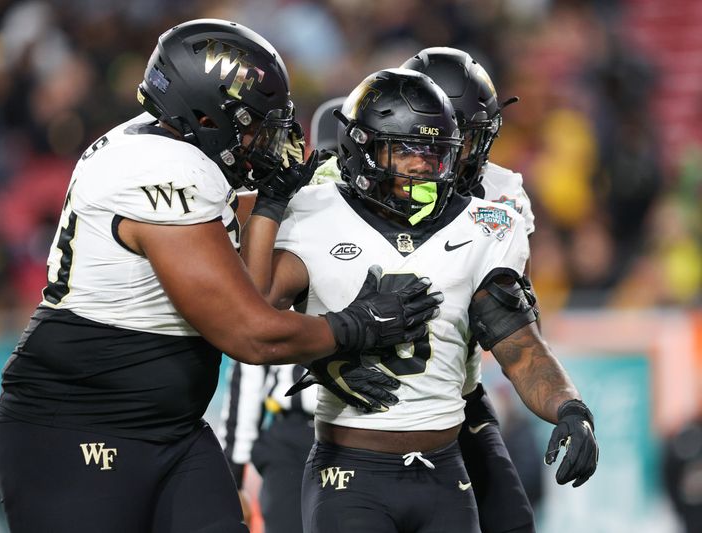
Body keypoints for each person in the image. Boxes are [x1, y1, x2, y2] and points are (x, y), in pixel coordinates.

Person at [0, 20, 439, 533]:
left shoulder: (156, 147)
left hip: (171, 429)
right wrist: (356, 327)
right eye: (253, 124)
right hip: (78, 426)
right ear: (206, 112)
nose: (263, 140)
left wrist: (281, 202)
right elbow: (251, 333)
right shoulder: (159, 167)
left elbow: (225, 235)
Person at [242, 68, 599, 532]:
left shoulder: (484, 224)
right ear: (364, 148)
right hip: (351, 469)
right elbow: (255, 310)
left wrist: (570, 407)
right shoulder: (315, 210)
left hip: (445, 471)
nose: (421, 165)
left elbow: (521, 347)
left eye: (434, 152)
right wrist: (271, 205)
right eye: (406, 149)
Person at [402, 46, 540, 533]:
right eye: (470, 135)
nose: (480, 150)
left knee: (512, 522)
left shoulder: (502, 190)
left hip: (457, 393)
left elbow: (498, 312)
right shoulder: (363, 185)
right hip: (373, 407)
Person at [216, 96, 346, 533]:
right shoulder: (294, 223)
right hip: (298, 427)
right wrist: (234, 463)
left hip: (373, 431)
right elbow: (254, 351)